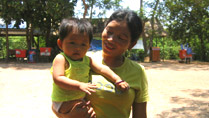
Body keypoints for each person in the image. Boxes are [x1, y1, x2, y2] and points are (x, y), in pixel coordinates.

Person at [51, 18, 129, 118]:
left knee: (89, 113)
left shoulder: (87, 60)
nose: (78, 48)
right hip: (62, 101)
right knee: (84, 113)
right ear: (60, 44)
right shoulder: (61, 58)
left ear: (88, 47)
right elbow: (58, 78)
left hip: (79, 100)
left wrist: (117, 80)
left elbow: (102, 69)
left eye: (83, 44)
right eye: (72, 43)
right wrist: (79, 85)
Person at [85, 9, 149, 118]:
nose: (111, 39)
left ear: (131, 44)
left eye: (121, 38)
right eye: (109, 32)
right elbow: (58, 100)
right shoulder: (85, 60)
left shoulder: (138, 71)